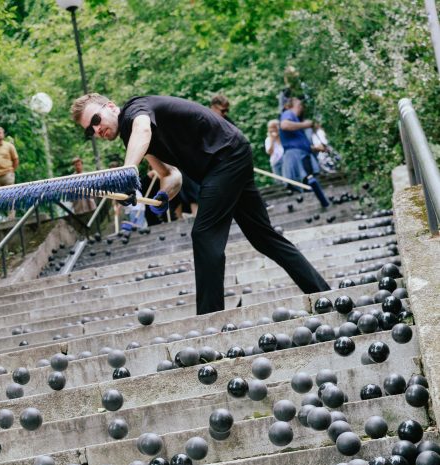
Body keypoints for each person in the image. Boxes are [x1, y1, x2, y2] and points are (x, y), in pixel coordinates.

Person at [70, 93, 330, 315]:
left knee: (204, 234)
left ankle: (209, 320)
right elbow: (171, 176)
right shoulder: (132, 137)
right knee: (264, 237)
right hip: (227, 158)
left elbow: (143, 128)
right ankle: (322, 292)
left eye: (96, 120)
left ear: (111, 107)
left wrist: (126, 172)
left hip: (225, 157)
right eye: (89, 131)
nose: (96, 130)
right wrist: (162, 196)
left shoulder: (134, 111)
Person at [279, 98, 330, 207]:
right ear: (289, 105)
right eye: (298, 103)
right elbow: (284, 125)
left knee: (311, 182)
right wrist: (306, 124)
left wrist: (317, 148)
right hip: (295, 157)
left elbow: (301, 145)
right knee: (307, 183)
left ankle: (324, 204)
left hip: (303, 155)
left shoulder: (296, 120)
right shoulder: (288, 113)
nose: (301, 105)